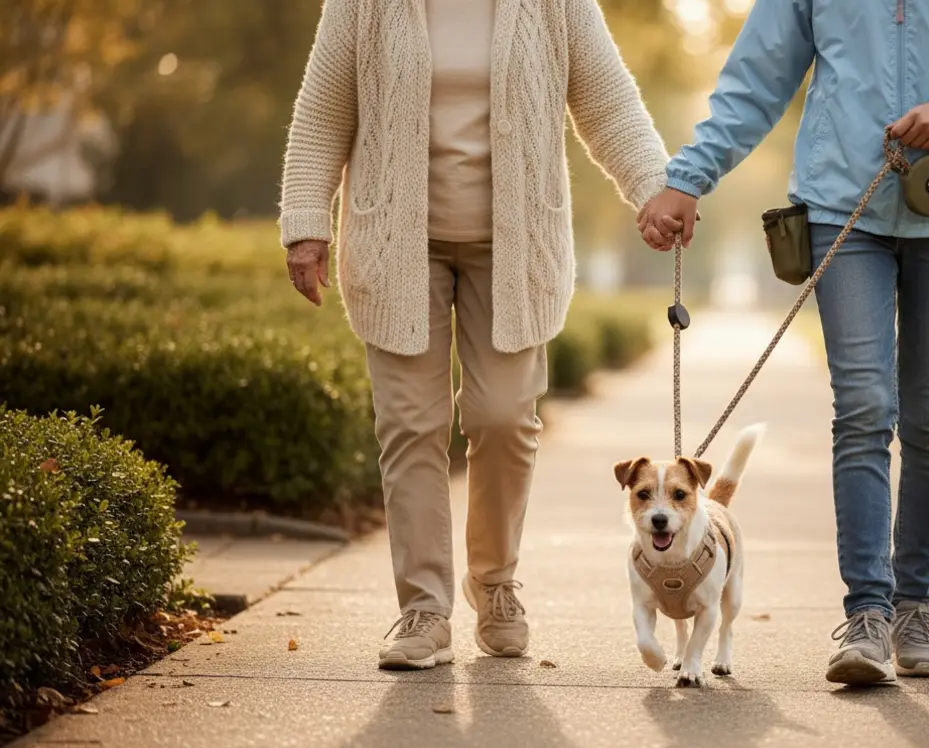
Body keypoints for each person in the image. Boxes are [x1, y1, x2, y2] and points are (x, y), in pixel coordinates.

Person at [640, 0, 929, 684]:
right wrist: (688, 179)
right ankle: (867, 615)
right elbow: (756, 79)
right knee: (865, 407)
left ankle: (914, 608)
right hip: (845, 207)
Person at [279, 0, 670, 669]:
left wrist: (657, 187)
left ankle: (494, 585)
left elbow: (607, 103)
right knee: (410, 422)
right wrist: (307, 219)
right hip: (397, 240)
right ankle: (424, 610)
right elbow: (323, 111)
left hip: (514, 245)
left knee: (503, 418)